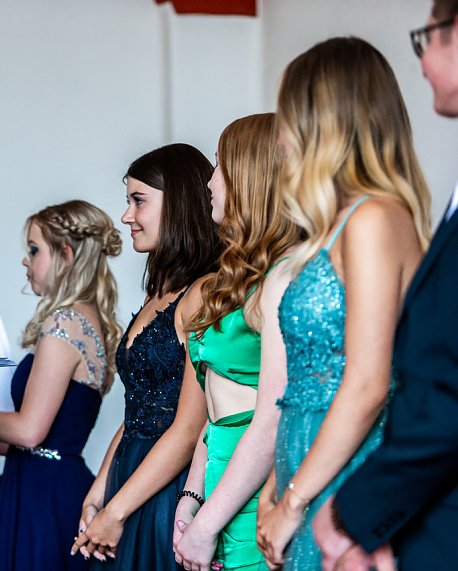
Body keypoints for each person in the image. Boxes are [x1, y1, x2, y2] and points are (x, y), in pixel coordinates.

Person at [253, 37, 431, 571]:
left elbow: (368, 382)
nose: (281, 140)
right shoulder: (335, 228)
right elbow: (303, 384)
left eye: (288, 119)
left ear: (323, 122)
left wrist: (295, 500)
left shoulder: (375, 219)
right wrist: (274, 487)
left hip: (346, 474)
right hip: (303, 464)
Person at [311, 5, 458, 570]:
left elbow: (444, 389)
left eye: (430, 38)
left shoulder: (373, 220)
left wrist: (350, 511)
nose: (421, 61)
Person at [0, 200, 123, 571]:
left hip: (45, 499)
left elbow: (30, 433)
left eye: (34, 250)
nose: (24, 260)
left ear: (66, 254)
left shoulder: (64, 323)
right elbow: (36, 447)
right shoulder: (86, 318)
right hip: (46, 484)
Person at [70, 143, 221, 570]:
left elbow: (190, 426)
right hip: (129, 475)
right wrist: (100, 489)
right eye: (128, 201)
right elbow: (138, 407)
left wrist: (117, 510)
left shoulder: (203, 294)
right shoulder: (159, 292)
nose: (126, 216)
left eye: (139, 201)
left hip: (168, 484)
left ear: (179, 206)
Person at [170, 113, 298, 571]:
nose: (210, 180)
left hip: (254, 489)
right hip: (219, 479)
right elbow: (216, 407)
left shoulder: (283, 277)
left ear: (251, 177)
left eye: (221, 165)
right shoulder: (235, 277)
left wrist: (208, 524)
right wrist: (192, 494)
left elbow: (270, 419)